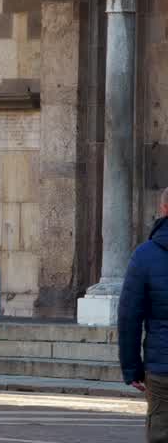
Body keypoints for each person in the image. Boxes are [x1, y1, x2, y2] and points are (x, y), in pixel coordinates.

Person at [119, 188, 168, 439]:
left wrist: (131, 368)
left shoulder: (144, 255)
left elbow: (129, 317)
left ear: (164, 209)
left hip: (162, 368)